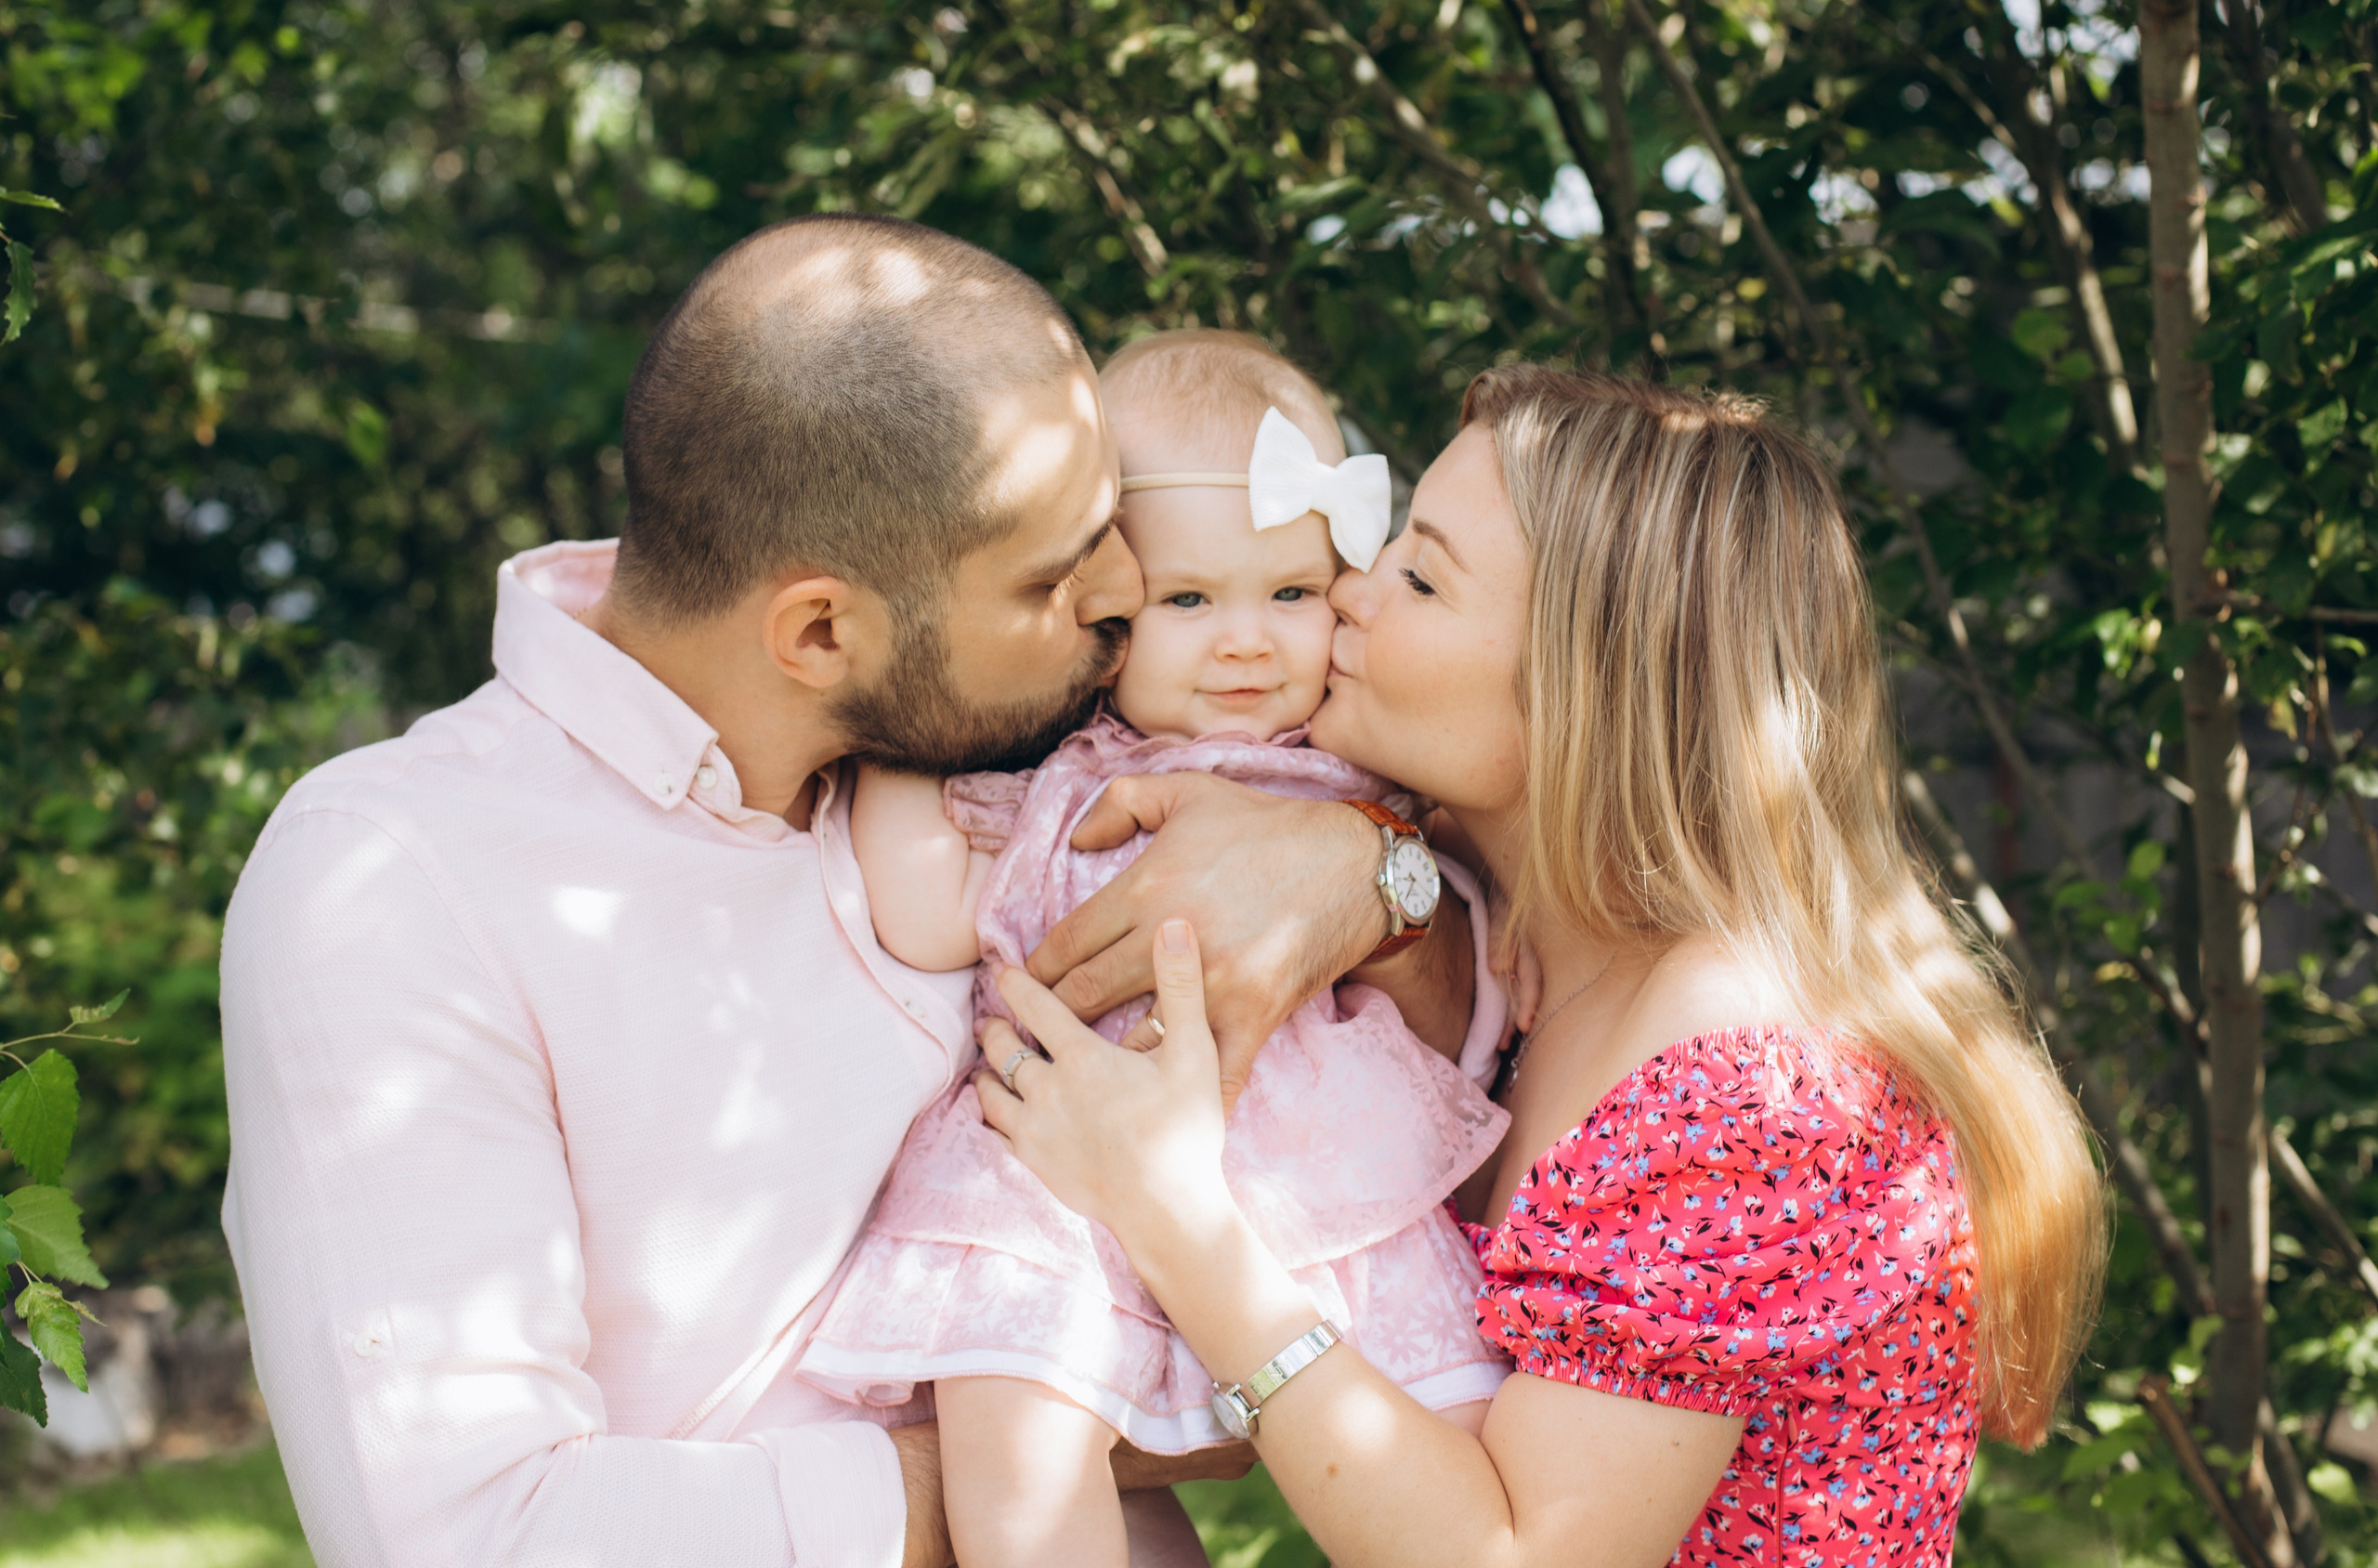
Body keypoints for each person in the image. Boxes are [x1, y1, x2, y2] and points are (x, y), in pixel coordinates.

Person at [216, 216, 1485, 1568]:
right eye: (1057, 571)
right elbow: (474, 1540)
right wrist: (1052, 1417)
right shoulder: (397, 883)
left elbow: (1456, 1023)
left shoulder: (1038, 741)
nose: (1128, 589)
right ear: (822, 631)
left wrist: (1373, 874)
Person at [973, 367, 2110, 1567]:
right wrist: (1366, 867)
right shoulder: (1510, 934)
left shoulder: (1741, 1088)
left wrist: (1170, 1210)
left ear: (1586, 686)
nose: (1348, 591)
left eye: (1420, 578)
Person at [799, 332, 1514, 1568]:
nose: (1246, 642)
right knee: (1016, 1438)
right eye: (1188, 600)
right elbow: (926, 911)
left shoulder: (1363, 766)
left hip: (1323, 1172)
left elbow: (1463, 947)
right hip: (1057, 1171)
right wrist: (904, 736)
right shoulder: (1054, 779)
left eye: (1291, 594)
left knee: (1451, 1426)